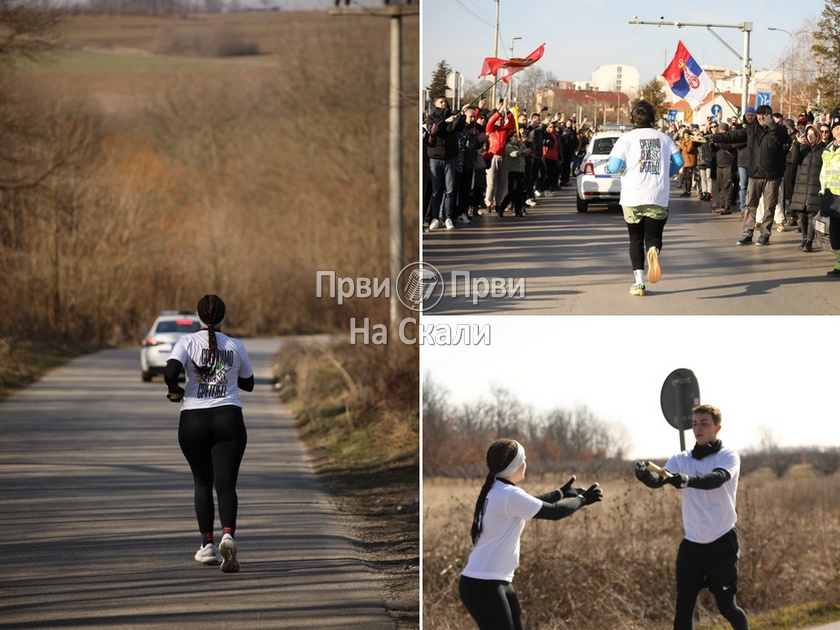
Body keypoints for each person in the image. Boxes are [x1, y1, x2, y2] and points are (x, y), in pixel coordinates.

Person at [459, 439, 603, 630]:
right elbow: (555, 513)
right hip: (484, 583)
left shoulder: (498, 489)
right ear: (516, 465)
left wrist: (560, 493)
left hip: (493, 581)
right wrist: (583, 499)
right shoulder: (507, 494)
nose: (526, 463)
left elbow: (532, 503)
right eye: (524, 459)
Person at [634, 404, 749, 630]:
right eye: (695, 424)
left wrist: (687, 480)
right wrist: (645, 476)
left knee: (727, 608)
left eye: (704, 423)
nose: (698, 428)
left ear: (717, 427)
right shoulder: (681, 458)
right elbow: (661, 480)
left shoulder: (728, 456)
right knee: (683, 608)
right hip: (692, 546)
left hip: (722, 542)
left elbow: (716, 478)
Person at [165, 294, 255, 573]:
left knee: (202, 484)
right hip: (229, 419)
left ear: (198, 316)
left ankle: (207, 546)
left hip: (193, 420)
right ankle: (228, 534)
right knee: (226, 485)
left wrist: (176, 390)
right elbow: (249, 384)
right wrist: (227, 374)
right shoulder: (236, 345)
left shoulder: (186, 342)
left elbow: (170, 371)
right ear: (223, 318)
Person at [606, 100, 684, 297]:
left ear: (633, 118)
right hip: (657, 194)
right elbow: (679, 161)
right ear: (653, 118)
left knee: (635, 238)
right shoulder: (664, 138)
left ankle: (639, 283)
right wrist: (666, 173)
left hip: (632, 196)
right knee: (653, 236)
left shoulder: (626, 139)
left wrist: (616, 169)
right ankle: (654, 251)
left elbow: (614, 167)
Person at [706, 104, 789, 246]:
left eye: (764, 114)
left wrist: (772, 126)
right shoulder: (751, 129)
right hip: (755, 173)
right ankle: (747, 233)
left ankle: (765, 235)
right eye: (759, 114)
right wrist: (714, 136)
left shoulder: (779, 129)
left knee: (769, 206)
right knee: (751, 204)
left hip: (772, 174)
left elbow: (783, 139)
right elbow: (733, 135)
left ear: (769, 115)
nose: (761, 117)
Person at [425, 95, 464, 230]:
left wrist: (461, 115)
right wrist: (444, 121)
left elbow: (458, 127)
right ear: (435, 104)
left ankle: (447, 217)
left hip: (449, 157)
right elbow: (433, 130)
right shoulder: (431, 117)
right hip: (435, 157)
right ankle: (435, 217)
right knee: (436, 190)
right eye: (441, 102)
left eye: (445, 102)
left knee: (450, 189)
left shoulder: (452, 115)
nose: (444, 104)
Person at [790, 124, 827, 252]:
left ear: (817, 135)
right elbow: (794, 160)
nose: (810, 136)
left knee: (812, 214)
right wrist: (796, 144)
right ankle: (805, 237)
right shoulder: (802, 149)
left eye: (812, 134)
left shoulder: (823, 150)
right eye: (808, 134)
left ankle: (809, 241)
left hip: (815, 187)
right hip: (802, 185)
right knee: (801, 214)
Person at [820, 108, 840, 277]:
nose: (839, 132)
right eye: (836, 129)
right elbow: (824, 173)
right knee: (835, 234)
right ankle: (839, 265)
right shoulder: (828, 149)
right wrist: (822, 190)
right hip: (832, 197)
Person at [677, 129, 699, 197]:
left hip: (690, 161)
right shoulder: (683, 141)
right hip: (685, 162)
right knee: (685, 177)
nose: (687, 136)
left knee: (689, 177)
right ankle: (686, 190)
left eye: (688, 135)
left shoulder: (692, 141)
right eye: (685, 135)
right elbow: (680, 150)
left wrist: (681, 145)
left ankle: (688, 191)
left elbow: (688, 150)